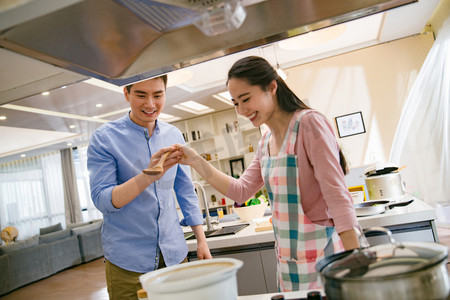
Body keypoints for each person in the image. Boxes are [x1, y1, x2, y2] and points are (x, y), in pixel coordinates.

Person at [174, 56, 360, 292]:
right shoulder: (265, 143)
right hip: (290, 263)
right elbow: (240, 190)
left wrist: (355, 259)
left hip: (328, 256)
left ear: (272, 87)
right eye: (235, 103)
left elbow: (337, 196)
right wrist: (195, 160)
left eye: (245, 99)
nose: (241, 110)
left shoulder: (308, 124)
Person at [87, 75, 212, 300]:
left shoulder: (173, 134)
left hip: (175, 255)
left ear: (165, 92)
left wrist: (201, 240)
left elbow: (184, 190)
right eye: (141, 95)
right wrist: (146, 177)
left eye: (158, 95)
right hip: (128, 263)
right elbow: (102, 200)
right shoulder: (105, 138)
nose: (150, 104)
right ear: (126, 93)